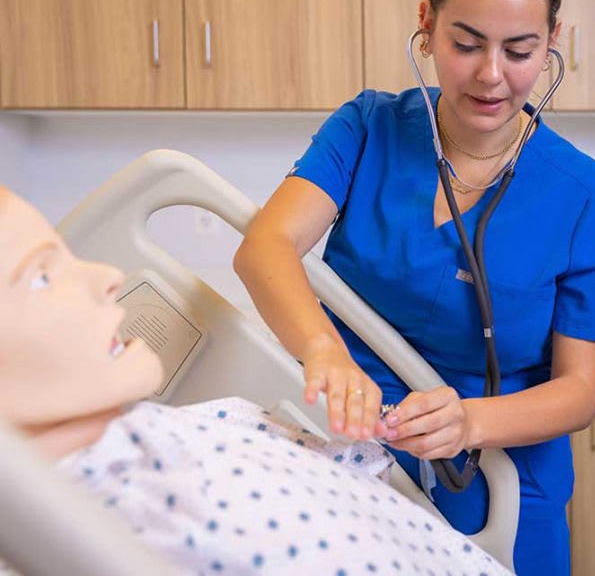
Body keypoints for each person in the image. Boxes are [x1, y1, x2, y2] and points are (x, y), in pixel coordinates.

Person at [234, 0, 595, 573]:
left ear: (553, 41)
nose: (491, 75)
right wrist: (324, 351)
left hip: (503, 486)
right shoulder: (368, 128)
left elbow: (580, 391)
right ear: (427, 22)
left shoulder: (583, 192)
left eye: (520, 49)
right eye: (466, 43)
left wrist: (469, 421)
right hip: (351, 462)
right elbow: (266, 246)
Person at [0, 186, 510, 576]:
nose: (106, 275)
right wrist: (321, 348)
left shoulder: (190, 427)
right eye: (41, 276)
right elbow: (265, 246)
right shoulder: (133, 525)